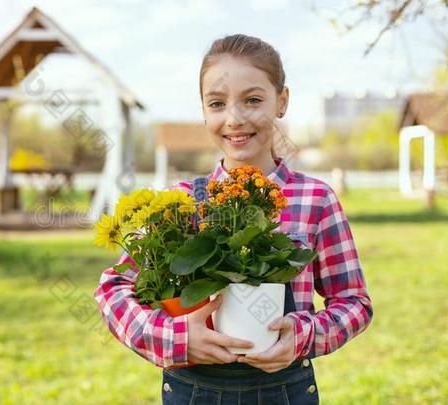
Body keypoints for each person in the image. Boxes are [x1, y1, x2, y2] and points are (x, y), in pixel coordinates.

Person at [93, 34, 373, 404]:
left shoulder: (315, 199)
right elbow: (113, 289)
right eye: (218, 103)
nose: (235, 118)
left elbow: (354, 302)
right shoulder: (180, 202)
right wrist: (178, 338)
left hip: (283, 392)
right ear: (204, 111)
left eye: (253, 100)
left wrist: (302, 335)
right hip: (194, 391)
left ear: (282, 101)